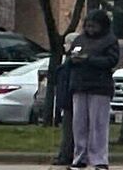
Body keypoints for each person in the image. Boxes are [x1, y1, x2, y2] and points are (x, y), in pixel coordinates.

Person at [69, 10, 119, 170]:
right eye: (88, 26)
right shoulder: (79, 39)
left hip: (100, 87)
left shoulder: (109, 41)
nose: (90, 29)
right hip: (80, 85)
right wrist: (74, 59)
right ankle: (80, 157)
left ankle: (99, 159)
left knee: (98, 124)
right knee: (79, 124)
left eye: (94, 26)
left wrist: (89, 59)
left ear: (102, 26)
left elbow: (111, 60)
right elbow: (70, 57)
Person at [52, 32, 79, 166]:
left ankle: (66, 155)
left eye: (67, 43)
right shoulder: (68, 61)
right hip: (67, 100)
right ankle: (66, 154)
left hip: (70, 100)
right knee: (68, 129)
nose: (64, 46)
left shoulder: (72, 63)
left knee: (69, 131)